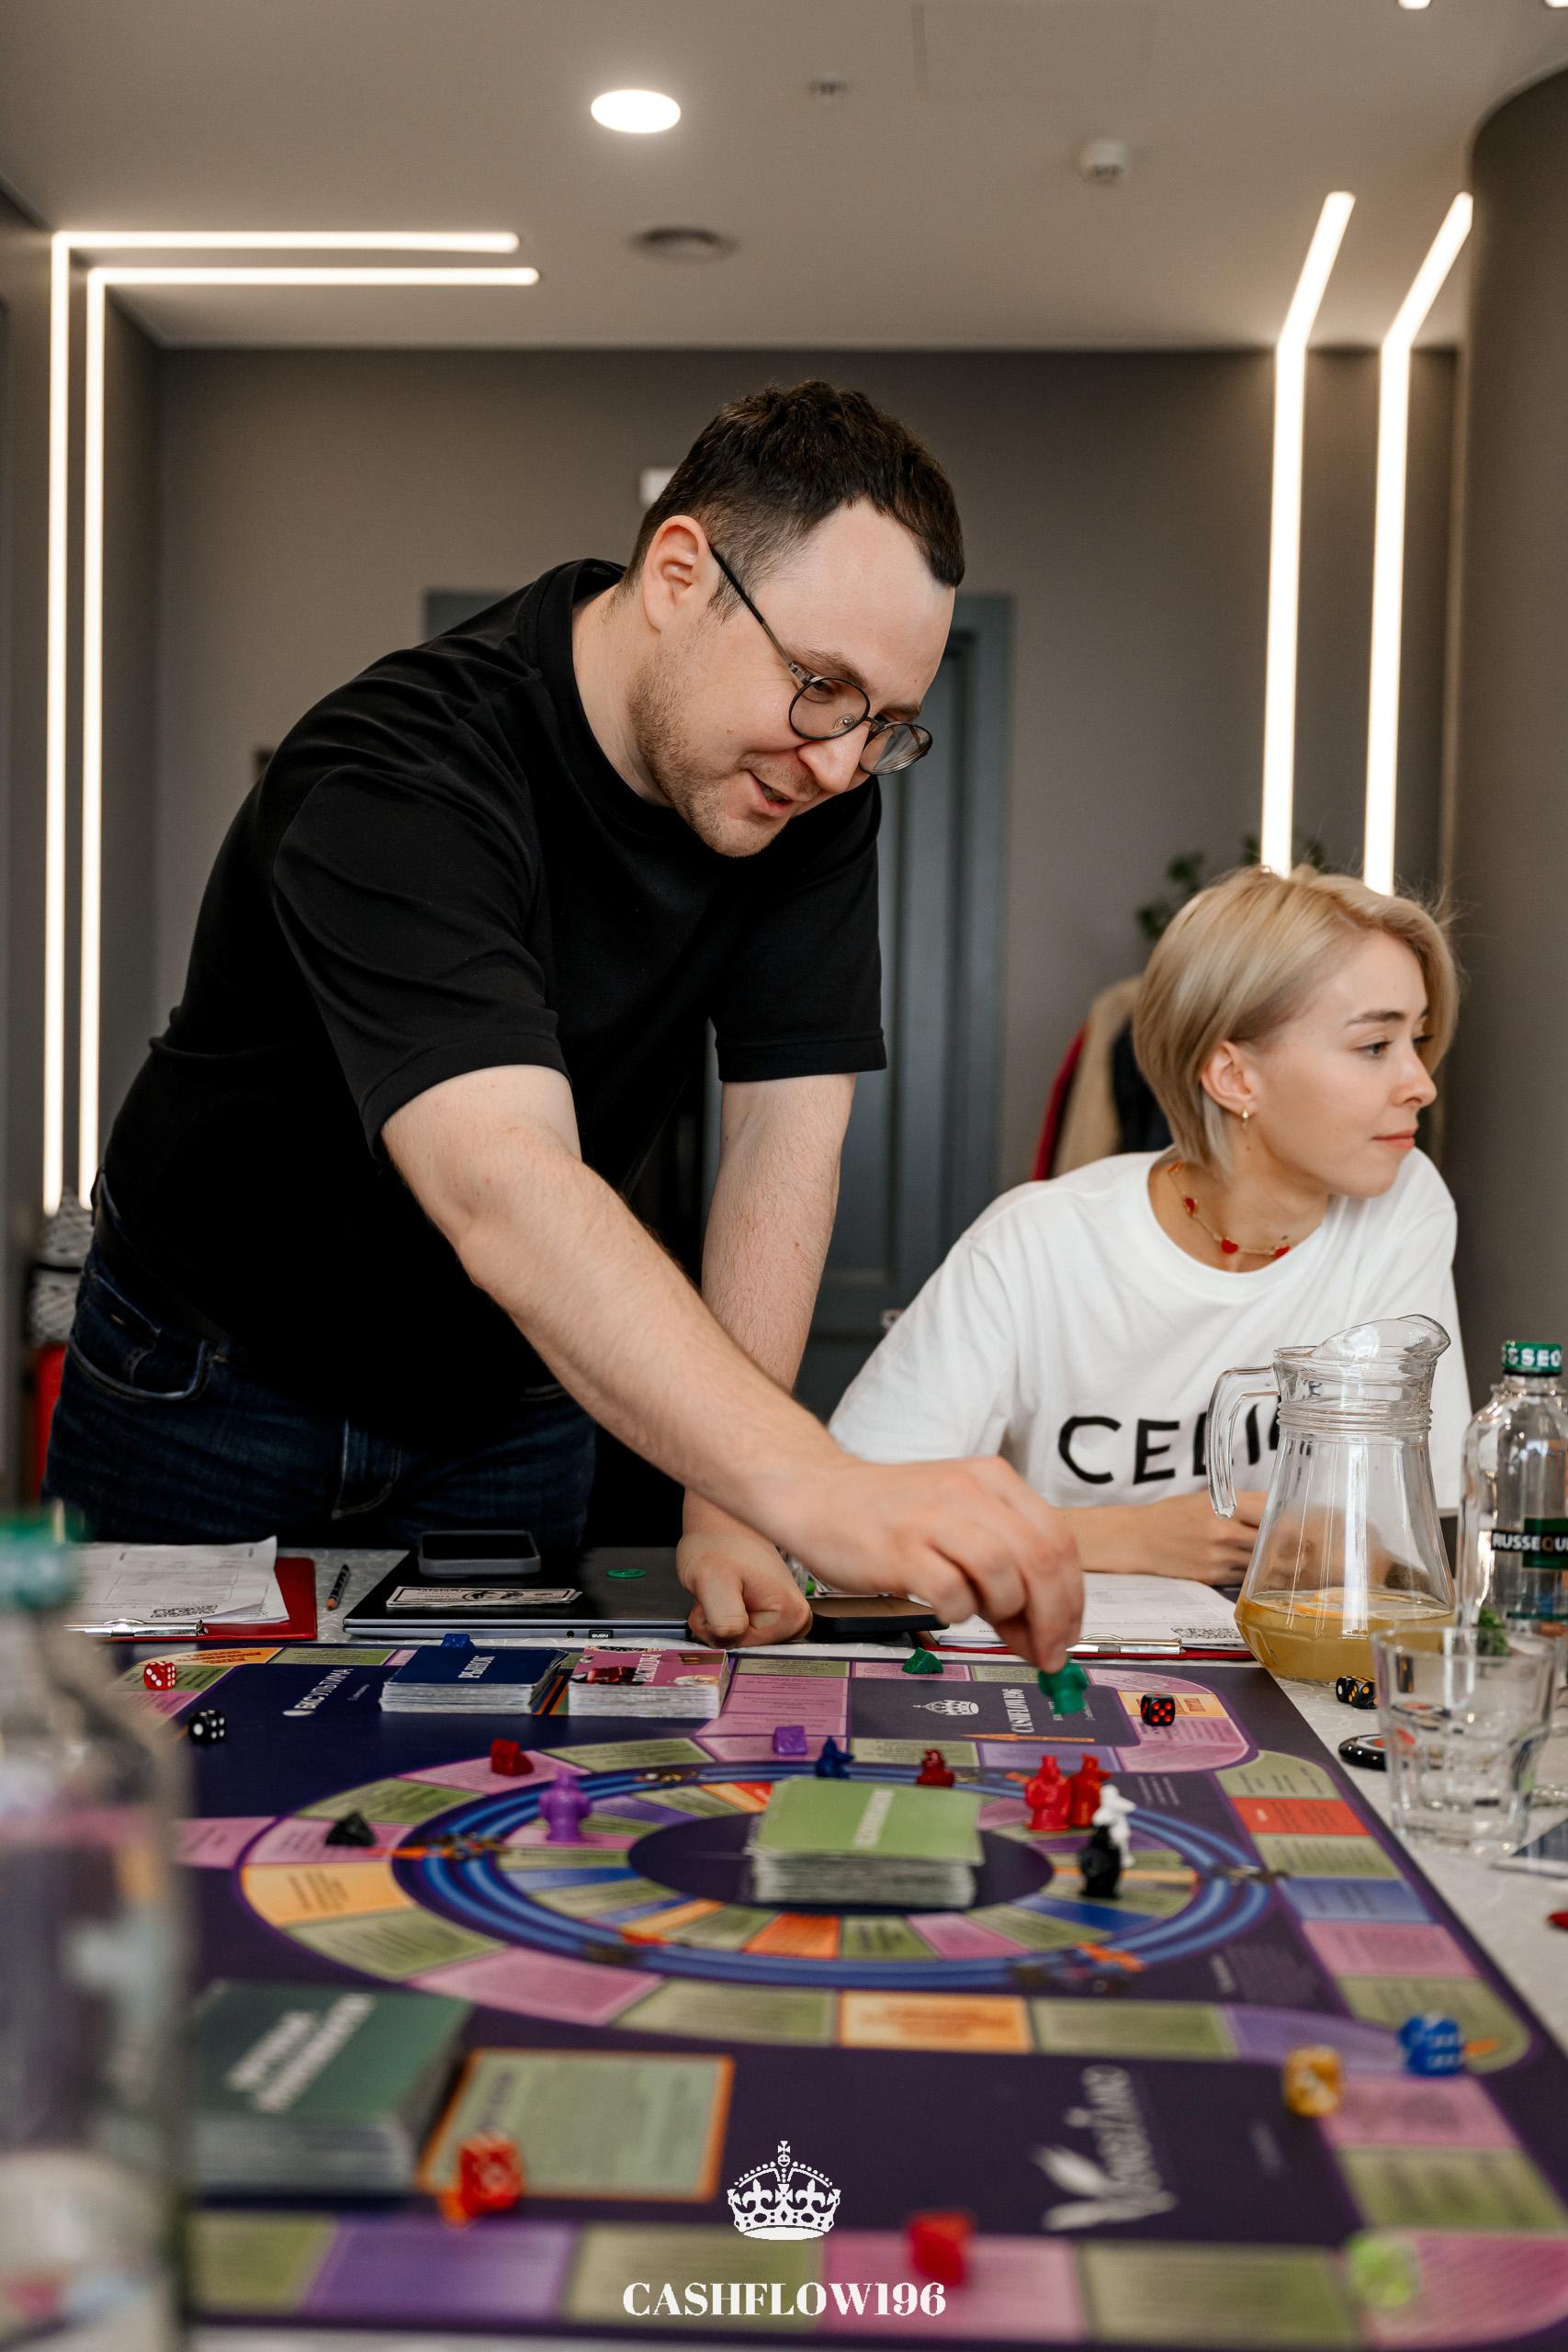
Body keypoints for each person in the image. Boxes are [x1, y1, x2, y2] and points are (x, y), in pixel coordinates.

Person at [45, 380, 1080, 1670]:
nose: (839, 761)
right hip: (213, 1371)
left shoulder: (812, 789)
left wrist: (729, 1502)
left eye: (885, 724)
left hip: (514, 1387)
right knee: (139, 1762)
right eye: (820, 685)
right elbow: (503, 1182)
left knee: (494, 1760)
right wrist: (809, 1479)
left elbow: (785, 1140)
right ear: (679, 573)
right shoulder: (398, 768)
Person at [823, 865, 1469, 1584]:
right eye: (1375, 1046)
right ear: (1233, 1077)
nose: (1421, 1084)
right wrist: (1123, 1537)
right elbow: (842, 1521)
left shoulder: (1402, 1205)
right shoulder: (1035, 1243)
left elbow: (1399, 1537)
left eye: (1418, 1040)